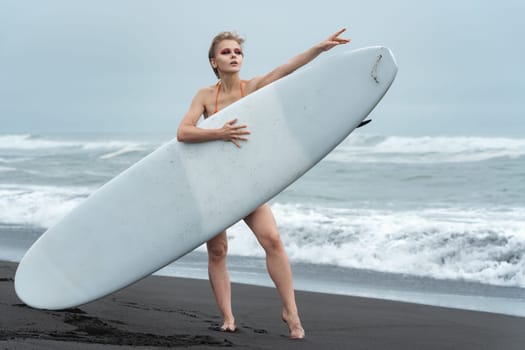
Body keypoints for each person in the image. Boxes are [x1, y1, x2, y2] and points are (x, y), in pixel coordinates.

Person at [177, 28, 350, 339]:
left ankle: (291, 311)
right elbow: (183, 132)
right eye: (226, 52)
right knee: (217, 250)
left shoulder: (252, 87)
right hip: (214, 184)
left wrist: (319, 48)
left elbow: (286, 68)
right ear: (213, 61)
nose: (233, 56)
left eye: (237, 52)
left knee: (272, 240)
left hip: (246, 181)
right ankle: (228, 316)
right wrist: (219, 133)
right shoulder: (204, 96)